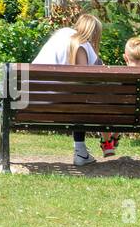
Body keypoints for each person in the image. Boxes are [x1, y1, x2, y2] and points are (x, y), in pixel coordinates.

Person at [33, 13, 103, 166]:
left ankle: (82, 152)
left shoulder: (62, 34)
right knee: (83, 98)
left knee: (78, 97)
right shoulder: (83, 44)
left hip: (31, 101)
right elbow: (85, 80)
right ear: (94, 34)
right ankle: (80, 151)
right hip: (58, 104)